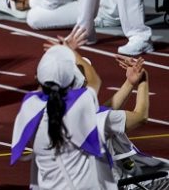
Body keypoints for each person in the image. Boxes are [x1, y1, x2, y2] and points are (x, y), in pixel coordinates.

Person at [10, 32, 150, 189]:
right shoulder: (89, 117)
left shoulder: (31, 108)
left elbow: (100, 107)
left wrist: (129, 84)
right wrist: (142, 80)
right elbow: (140, 116)